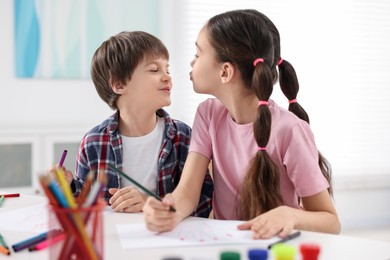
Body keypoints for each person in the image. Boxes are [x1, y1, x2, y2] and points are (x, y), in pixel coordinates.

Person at [143, 9, 341, 238]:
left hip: (277, 248)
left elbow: (331, 221)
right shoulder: (208, 114)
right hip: (228, 244)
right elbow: (187, 193)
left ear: (225, 71)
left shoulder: (290, 130)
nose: (192, 61)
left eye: (198, 54)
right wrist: (169, 211)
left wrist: (290, 215)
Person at [50, 31, 213, 217]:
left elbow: (203, 201)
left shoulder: (181, 136)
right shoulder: (93, 142)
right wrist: (69, 186)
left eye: (167, 70)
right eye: (154, 70)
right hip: (116, 240)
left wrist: (150, 203)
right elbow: (87, 202)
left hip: (167, 237)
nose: (167, 77)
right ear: (119, 85)